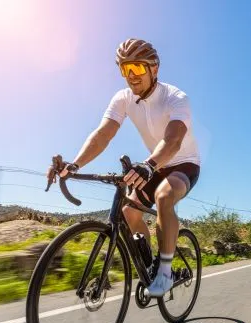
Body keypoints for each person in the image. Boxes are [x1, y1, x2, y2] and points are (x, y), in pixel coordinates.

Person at [47, 38, 201, 297]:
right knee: (129, 212)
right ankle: (150, 265)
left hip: (182, 163)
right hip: (153, 164)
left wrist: (150, 164)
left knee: (164, 197)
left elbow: (173, 139)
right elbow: (102, 135)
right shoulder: (124, 98)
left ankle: (164, 271)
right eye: (125, 69)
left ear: (154, 69)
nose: (131, 76)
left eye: (138, 68)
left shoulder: (176, 97)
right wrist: (74, 164)